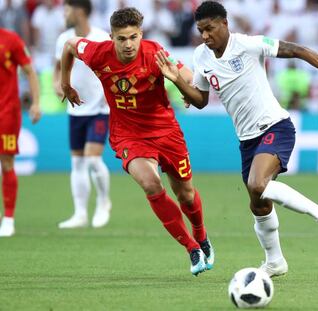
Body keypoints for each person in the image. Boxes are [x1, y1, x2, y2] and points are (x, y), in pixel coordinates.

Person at [155, 1, 318, 277]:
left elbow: (299, 50)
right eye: (200, 30)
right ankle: (275, 262)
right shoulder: (201, 56)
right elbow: (201, 100)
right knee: (258, 203)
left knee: (258, 184)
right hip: (247, 140)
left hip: (275, 126)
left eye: (209, 29)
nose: (205, 36)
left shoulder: (248, 44)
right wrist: (177, 80)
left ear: (224, 24)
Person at [60, 7, 214, 276]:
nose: (128, 44)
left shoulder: (155, 53)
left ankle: (201, 236)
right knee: (151, 184)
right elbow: (70, 45)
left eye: (133, 37)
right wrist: (65, 83)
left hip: (166, 131)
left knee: (186, 195)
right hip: (127, 134)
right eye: (122, 39)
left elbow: (187, 75)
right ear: (112, 37)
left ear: (140, 34)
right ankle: (191, 249)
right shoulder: (97, 53)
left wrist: (185, 88)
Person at [54, 0, 112, 229]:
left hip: (99, 108)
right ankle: (80, 213)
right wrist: (58, 86)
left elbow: (112, 69)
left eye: (67, 8)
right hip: (75, 109)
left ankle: (103, 202)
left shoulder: (100, 37)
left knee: (92, 158)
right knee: (77, 163)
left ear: (80, 10)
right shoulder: (63, 39)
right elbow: (58, 69)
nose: (65, 13)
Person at [0, 27, 41, 237]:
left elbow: (30, 71)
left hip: (6, 112)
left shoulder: (11, 40)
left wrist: (36, 103)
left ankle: (8, 218)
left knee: (7, 163)